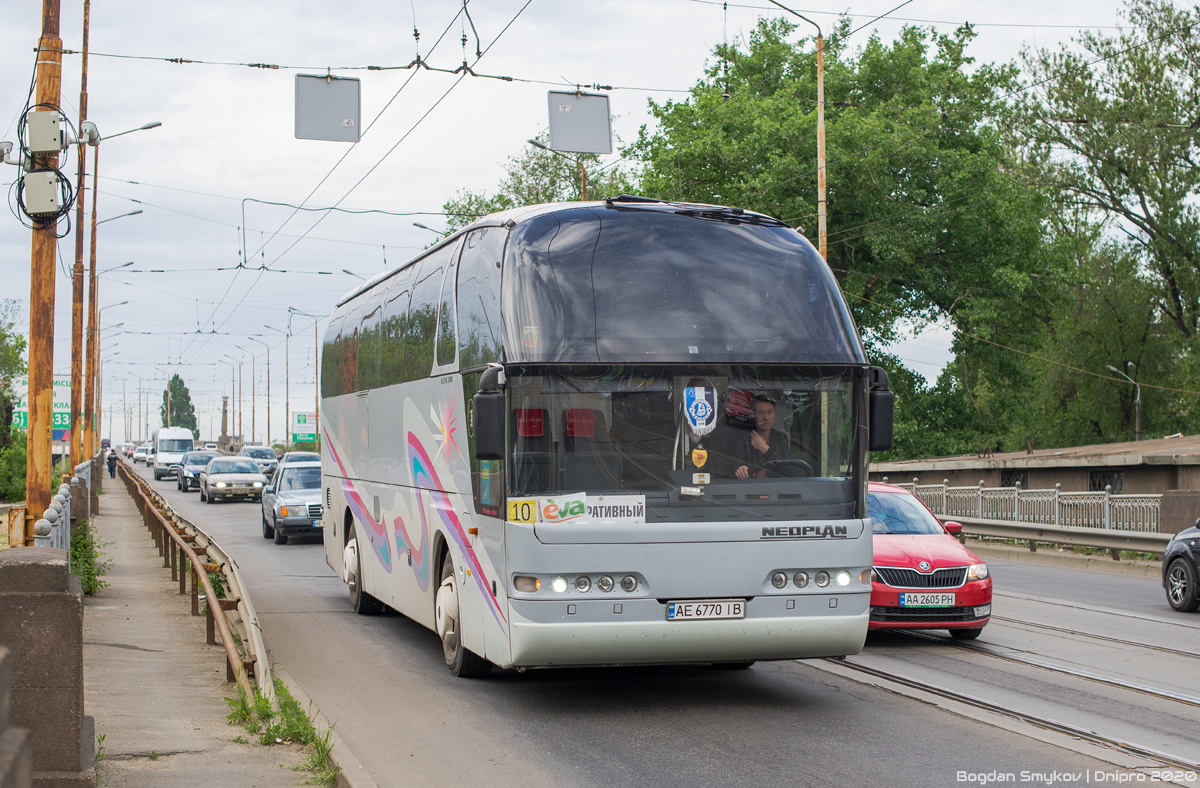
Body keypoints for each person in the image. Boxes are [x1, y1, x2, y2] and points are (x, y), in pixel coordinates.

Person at [734, 395, 798, 479]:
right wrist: (741, 469)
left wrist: (764, 448)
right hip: (750, 488)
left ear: (774, 414)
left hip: (774, 488)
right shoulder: (744, 437)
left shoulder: (780, 438)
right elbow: (734, 462)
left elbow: (791, 471)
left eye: (769, 412)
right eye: (761, 413)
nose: (766, 418)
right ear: (754, 415)